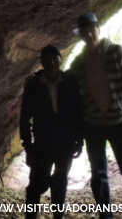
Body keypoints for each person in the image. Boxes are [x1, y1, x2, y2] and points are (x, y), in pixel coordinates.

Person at [69, 12, 122, 219]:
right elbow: (64, 83)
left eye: (92, 30)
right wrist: (38, 78)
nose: (89, 35)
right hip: (92, 125)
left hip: (119, 123)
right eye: (84, 32)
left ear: (98, 29)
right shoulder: (79, 63)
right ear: (80, 36)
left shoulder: (116, 53)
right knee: (99, 176)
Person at [19, 45, 83, 219]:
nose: (51, 62)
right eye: (46, 59)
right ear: (41, 62)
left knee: (61, 180)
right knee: (36, 184)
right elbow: (24, 118)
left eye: (54, 58)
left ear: (60, 60)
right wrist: (28, 147)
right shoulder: (34, 85)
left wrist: (79, 140)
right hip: (43, 143)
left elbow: (78, 111)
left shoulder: (70, 82)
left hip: (66, 142)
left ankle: (58, 216)